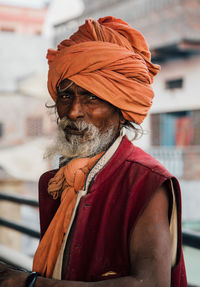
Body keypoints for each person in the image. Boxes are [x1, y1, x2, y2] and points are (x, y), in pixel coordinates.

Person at [0, 16, 187, 287]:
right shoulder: (56, 181)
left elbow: (151, 284)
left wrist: (30, 284)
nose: (74, 111)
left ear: (121, 110)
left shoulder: (146, 181)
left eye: (92, 97)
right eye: (66, 96)